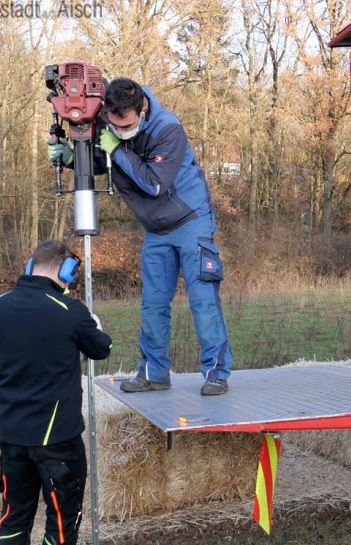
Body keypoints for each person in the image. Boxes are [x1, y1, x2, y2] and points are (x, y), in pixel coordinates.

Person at [48, 77, 232, 396]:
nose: (119, 131)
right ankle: (153, 373)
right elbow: (101, 161)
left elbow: (153, 183)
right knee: (153, 304)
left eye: (127, 125)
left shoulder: (167, 128)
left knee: (202, 300)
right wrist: (66, 155)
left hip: (191, 220)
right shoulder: (108, 121)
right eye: (114, 125)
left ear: (142, 109)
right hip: (155, 229)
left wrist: (116, 147)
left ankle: (216, 373)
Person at [0, 240, 112, 545]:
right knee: (62, 519)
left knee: (15, 515)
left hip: (12, 435)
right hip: (57, 438)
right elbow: (101, 348)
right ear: (66, 273)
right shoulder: (69, 311)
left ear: (30, 265)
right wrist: (91, 324)